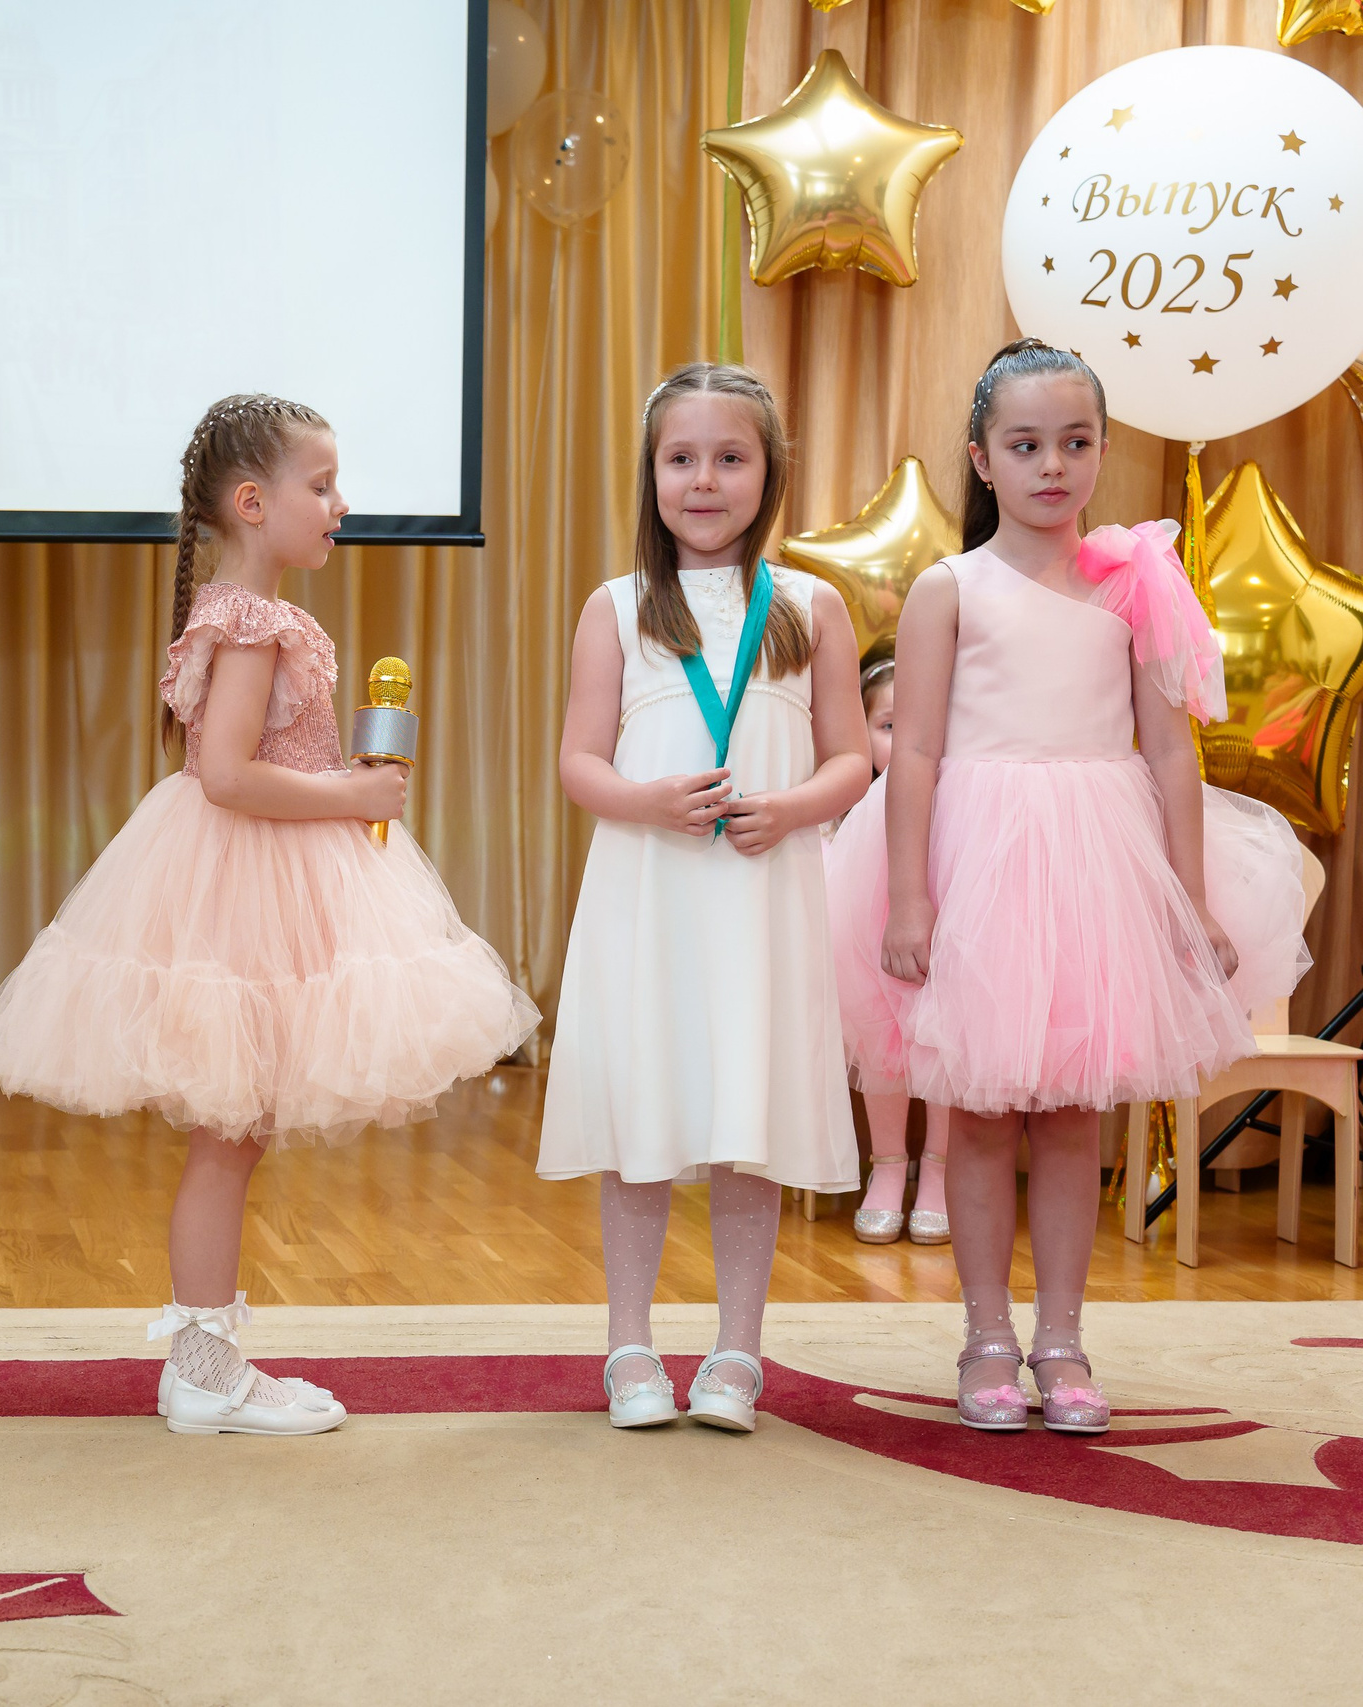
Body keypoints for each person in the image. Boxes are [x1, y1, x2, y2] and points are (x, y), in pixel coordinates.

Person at [0, 394, 539, 1437]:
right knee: (228, 1135)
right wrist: (354, 797)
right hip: (244, 878)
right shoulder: (252, 623)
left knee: (238, 1131)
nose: (339, 505)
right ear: (250, 502)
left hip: (264, 879)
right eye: (319, 487)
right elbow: (226, 774)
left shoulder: (251, 616)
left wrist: (338, 779)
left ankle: (208, 1360)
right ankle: (201, 1365)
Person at [825, 338, 1310, 1433]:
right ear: (982, 460)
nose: (1053, 464)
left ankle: (1063, 1338)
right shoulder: (950, 589)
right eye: (1025, 444)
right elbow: (914, 753)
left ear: (1102, 451)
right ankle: (986, 1336)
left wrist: (1185, 901)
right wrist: (908, 897)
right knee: (986, 1116)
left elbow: (1172, 754)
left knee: (1072, 1118)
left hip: (1095, 861)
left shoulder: (1135, 580)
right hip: (980, 856)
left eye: (1076, 442)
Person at [539, 363, 871, 1433]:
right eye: (681, 458)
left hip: (759, 897)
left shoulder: (810, 606)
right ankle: (628, 1343)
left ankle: (736, 1351)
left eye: (730, 458)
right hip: (651, 896)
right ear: (651, 473)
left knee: (747, 1113)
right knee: (643, 1104)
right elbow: (579, 762)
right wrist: (646, 802)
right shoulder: (619, 606)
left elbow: (852, 758)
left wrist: (793, 808)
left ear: (768, 473)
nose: (703, 480)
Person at [833, 658, 952, 1246]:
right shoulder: (859, 820)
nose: (902, 739)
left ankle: (939, 1170)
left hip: (953, 864)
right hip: (875, 898)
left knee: (951, 1036)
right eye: (887, 726)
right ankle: (886, 1166)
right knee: (883, 1031)